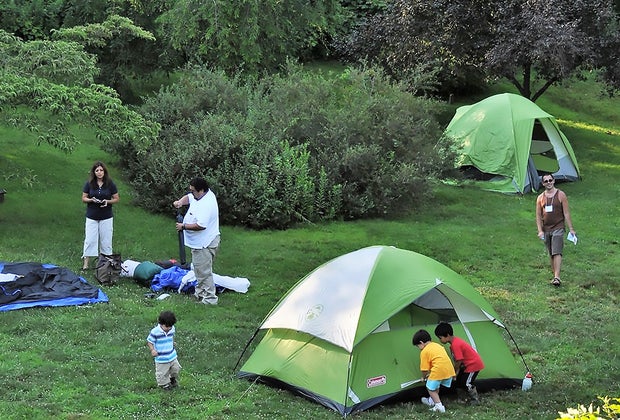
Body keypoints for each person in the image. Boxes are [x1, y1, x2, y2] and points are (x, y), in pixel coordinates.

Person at [173, 177, 220, 305]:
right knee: (199, 270)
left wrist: (183, 226)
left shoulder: (207, 204)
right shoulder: (199, 195)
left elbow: (201, 225)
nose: (191, 192)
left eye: (193, 190)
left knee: (204, 272)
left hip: (204, 244)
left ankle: (210, 299)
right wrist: (180, 202)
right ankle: (200, 293)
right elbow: (189, 197)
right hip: (201, 243)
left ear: (201, 190)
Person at [535, 174, 576, 286]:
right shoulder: (540, 198)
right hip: (546, 228)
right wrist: (540, 230)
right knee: (551, 252)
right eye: (546, 181)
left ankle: (557, 277)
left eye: (550, 180)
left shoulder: (561, 195)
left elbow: (566, 213)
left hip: (558, 227)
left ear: (553, 181)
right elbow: (538, 216)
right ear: (543, 183)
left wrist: (571, 228)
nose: (548, 182)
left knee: (557, 251)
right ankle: (555, 275)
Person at [81, 161, 119, 271]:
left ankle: (105, 264)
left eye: (101, 170)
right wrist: (91, 200)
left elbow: (116, 198)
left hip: (106, 216)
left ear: (104, 171)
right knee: (90, 239)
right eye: (97, 170)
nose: (99, 172)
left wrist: (107, 201)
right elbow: (84, 198)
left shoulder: (110, 184)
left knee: (106, 241)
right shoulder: (89, 184)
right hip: (92, 216)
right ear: (94, 172)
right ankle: (86, 264)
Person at [434, 322, 484, 403]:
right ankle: (462, 398)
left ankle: (475, 399)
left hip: (473, 365)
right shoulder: (454, 343)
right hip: (465, 366)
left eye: (440, 338)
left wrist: (454, 370)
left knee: (466, 383)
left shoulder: (455, 344)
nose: (440, 340)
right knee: (459, 381)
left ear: (447, 335)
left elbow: (459, 360)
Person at [412, 329, 456, 413]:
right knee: (435, 385)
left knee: (430, 388)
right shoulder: (437, 345)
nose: (418, 348)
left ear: (421, 342)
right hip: (449, 370)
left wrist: (423, 377)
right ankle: (431, 401)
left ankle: (439, 406)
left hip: (438, 370)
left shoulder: (424, 352)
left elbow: (424, 369)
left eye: (418, 346)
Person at [146, 310, 181, 390]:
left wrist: (172, 342)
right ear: (161, 324)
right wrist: (152, 350)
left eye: (170, 326)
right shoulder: (155, 332)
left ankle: (172, 379)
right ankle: (164, 384)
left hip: (172, 355)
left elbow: (171, 336)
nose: (169, 328)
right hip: (161, 358)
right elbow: (150, 341)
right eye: (166, 326)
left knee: (176, 368)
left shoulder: (172, 329)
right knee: (162, 373)